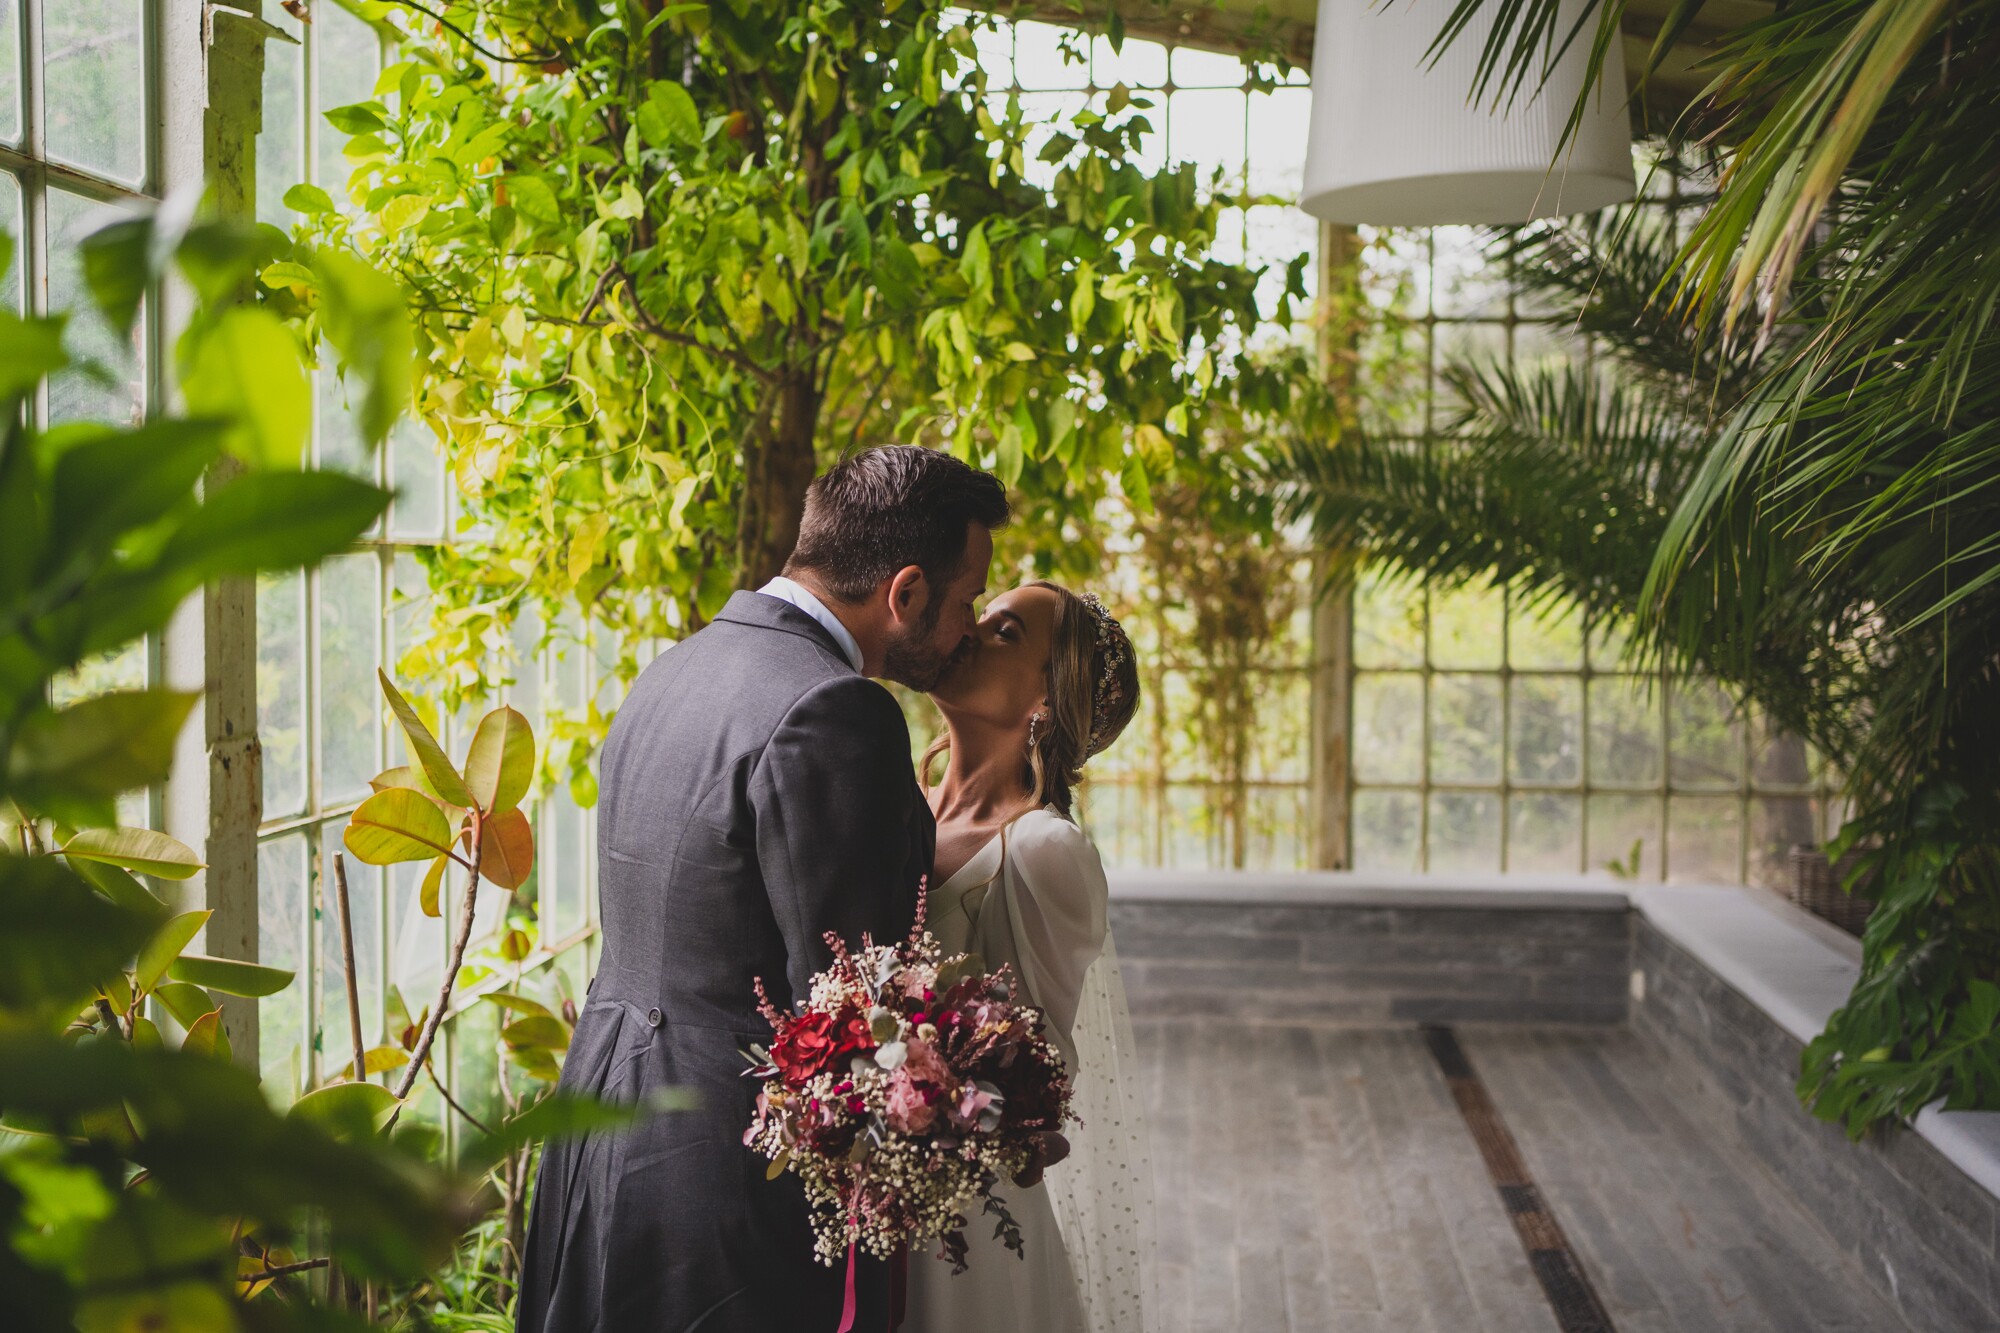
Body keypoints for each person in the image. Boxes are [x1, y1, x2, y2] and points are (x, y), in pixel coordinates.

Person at [516, 445, 1009, 1333]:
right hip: (726, 1183)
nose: (969, 624)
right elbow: (851, 993)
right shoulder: (834, 711)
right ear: (904, 592)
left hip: (598, 1122)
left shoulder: (674, 670)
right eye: (967, 595)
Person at [907, 581, 1157, 1333]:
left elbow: (1037, 1067)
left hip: (960, 1229)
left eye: (1007, 631)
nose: (971, 630)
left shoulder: (1046, 852)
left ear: (1047, 700)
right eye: (980, 614)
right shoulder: (896, 805)